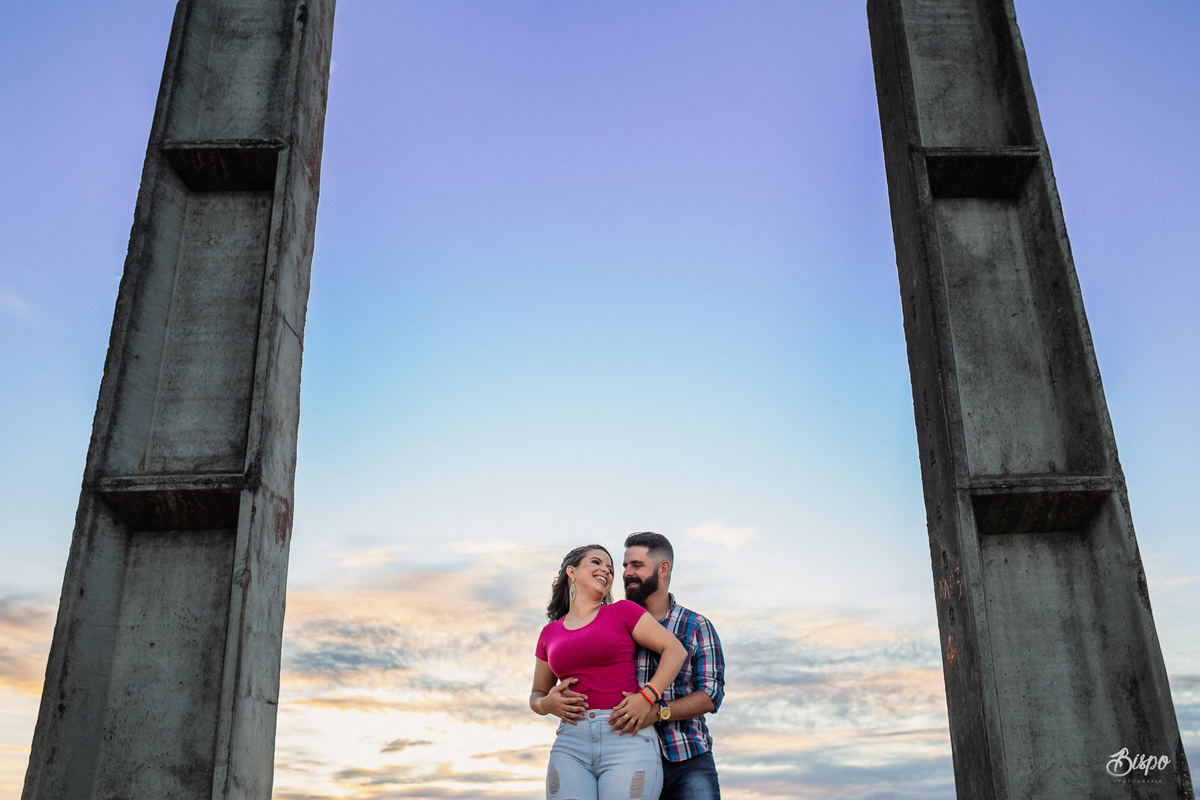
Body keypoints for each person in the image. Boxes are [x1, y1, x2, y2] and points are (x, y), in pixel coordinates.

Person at [531, 544, 688, 800]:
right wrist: (547, 703)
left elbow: (675, 650)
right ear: (572, 571)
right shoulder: (550, 633)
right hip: (571, 743)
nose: (606, 569)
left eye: (610, 568)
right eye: (596, 562)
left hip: (626, 738)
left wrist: (648, 696)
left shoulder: (622, 612)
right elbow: (536, 694)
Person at [610, 532, 725, 800]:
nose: (627, 573)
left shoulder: (696, 626)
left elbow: (711, 694)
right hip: (627, 759)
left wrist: (657, 711)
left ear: (663, 569)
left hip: (688, 758)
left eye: (636, 565)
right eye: (625, 565)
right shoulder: (615, 625)